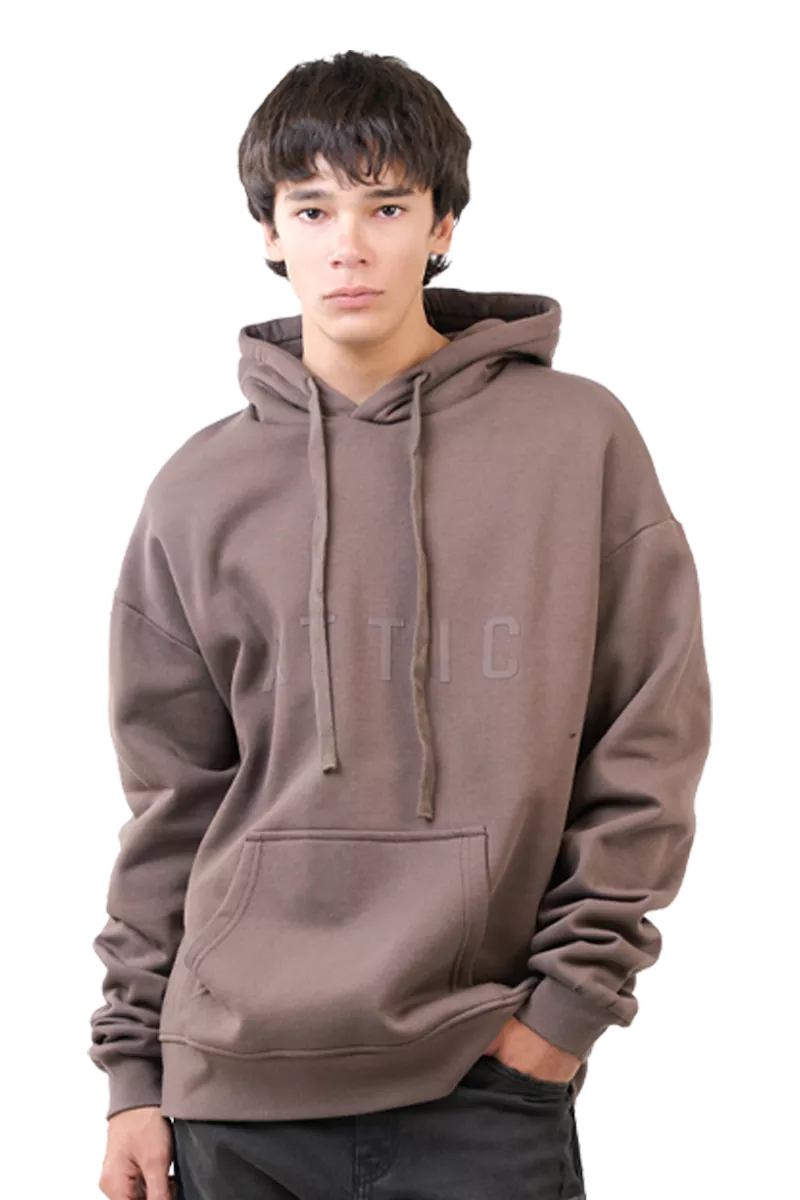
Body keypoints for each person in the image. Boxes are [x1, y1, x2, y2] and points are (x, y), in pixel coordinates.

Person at [90, 49, 713, 1200]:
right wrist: (133, 1071)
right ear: (268, 235)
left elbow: (648, 740)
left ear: (441, 228)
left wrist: (562, 1018)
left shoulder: (575, 442)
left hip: (480, 1080)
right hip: (230, 1092)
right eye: (312, 208)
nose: (348, 244)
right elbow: (167, 802)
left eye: (385, 206)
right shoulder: (195, 490)